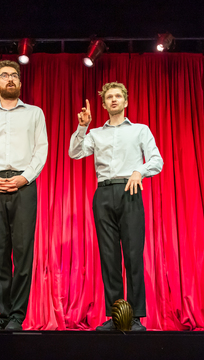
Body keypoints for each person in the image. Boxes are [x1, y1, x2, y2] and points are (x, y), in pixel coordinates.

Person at [68, 82, 163, 331]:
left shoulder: (140, 130)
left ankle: (134, 316)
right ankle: (115, 315)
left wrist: (138, 171)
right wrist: (82, 126)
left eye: (118, 96)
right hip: (103, 193)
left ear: (126, 101)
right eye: (109, 97)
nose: (113, 100)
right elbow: (74, 153)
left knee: (133, 256)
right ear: (103, 104)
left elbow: (157, 160)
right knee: (109, 257)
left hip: (130, 191)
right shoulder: (96, 134)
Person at [0, 60, 48, 331]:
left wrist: (25, 177)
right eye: (4, 76)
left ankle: (17, 316)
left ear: (20, 82)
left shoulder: (35, 113)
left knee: (23, 251)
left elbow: (41, 150)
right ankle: (2, 314)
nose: (10, 79)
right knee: (0, 251)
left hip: (24, 185)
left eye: (14, 75)